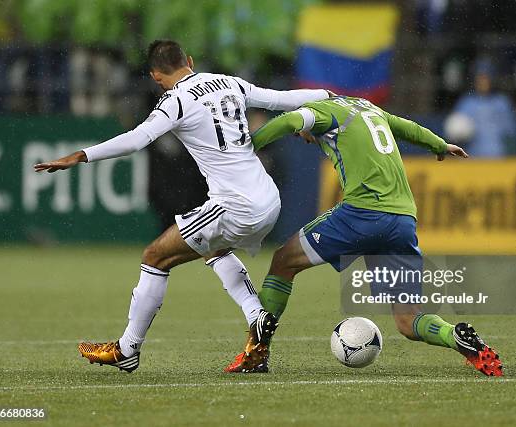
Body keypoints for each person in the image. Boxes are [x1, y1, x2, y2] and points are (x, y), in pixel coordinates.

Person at [34, 40, 329, 372]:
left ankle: (128, 349)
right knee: (213, 249)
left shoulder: (175, 100)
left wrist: (82, 155)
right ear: (189, 60)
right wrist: (333, 99)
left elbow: (137, 139)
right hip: (269, 201)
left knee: (155, 257)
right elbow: (282, 99)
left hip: (235, 206)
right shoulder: (229, 82)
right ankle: (256, 315)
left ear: (156, 76)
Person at [225, 95, 503, 377]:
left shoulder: (320, 112)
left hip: (363, 213)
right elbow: (405, 127)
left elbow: (288, 120)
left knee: (284, 261)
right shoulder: (366, 107)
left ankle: (255, 353)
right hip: (403, 219)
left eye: (303, 135)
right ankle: (453, 335)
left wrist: (246, 149)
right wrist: (439, 144)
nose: (304, 138)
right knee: (408, 320)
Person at [449, 58, 516, 157]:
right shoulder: (466, 103)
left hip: (498, 157)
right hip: (472, 158)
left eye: (486, 78)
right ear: (475, 80)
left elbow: (510, 135)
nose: (483, 82)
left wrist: (511, 157)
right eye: (480, 78)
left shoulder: (502, 103)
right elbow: (454, 132)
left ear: (491, 79)